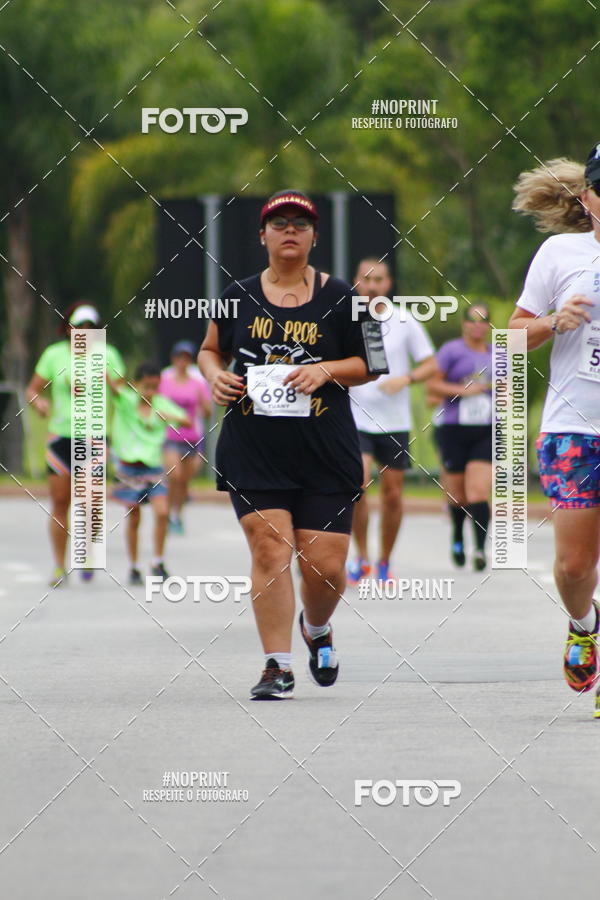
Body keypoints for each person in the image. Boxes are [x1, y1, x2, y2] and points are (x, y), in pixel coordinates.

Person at [199, 189, 376, 700]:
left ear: (315, 236)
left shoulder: (344, 297)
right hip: (254, 447)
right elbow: (213, 349)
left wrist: (325, 369)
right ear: (263, 236)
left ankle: (317, 628)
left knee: (325, 566)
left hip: (325, 449)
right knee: (270, 548)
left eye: (301, 223)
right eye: (280, 224)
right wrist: (214, 376)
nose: (290, 231)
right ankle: (277, 666)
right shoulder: (236, 295)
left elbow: (372, 365)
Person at [508, 146, 600, 717]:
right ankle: (582, 623)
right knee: (572, 567)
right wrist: (551, 322)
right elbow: (508, 343)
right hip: (575, 430)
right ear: (588, 197)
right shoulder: (560, 252)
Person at [347, 259, 438, 583]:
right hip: (355, 417)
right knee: (357, 486)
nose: (372, 286)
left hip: (394, 421)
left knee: (393, 495)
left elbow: (431, 364)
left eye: (379, 279)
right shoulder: (346, 318)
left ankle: (385, 559)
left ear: (388, 284)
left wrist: (406, 379)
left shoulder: (404, 320)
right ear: (356, 282)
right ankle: (361, 557)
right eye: (366, 279)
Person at [26, 303, 125, 586]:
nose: (84, 332)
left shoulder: (108, 355)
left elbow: (124, 395)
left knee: (92, 502)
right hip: (61, 437)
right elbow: (32, 389)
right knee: (60, 501)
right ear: (68, 328)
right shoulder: (54, 355)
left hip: (93, 436)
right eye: (79, 327)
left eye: (90, 328)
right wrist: (39, 402)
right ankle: (59, 565)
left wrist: (111, 380)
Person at [108, 361, 190, 585]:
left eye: (155, 387)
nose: (150, 392)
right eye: (146, 387)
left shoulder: (161, 403)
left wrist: (169, 416)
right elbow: (112, 387)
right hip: (129, 466)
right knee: (134, 517)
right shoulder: (126, 400)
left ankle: (158, 561)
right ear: (136, 385)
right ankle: (134, 566)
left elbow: (187, 419)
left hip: (153, 467)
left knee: (162, 513)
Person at [429, 304, 493, 571]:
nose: (477, 326)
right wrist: (462, 390)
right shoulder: (451, 351)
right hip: (454, 428)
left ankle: (479, 548)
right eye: (472, 320)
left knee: (478, 489)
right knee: (457, 496)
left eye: (483, 321)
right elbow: (433, 384)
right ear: (464, 324)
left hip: (486, 429)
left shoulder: (498, 354)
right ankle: (457, 535)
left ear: (489, 326)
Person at [159, 341, 212, 534]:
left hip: (192, 437)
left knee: (184, 481)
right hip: (170, 435)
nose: (183, 361)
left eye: (186, 358)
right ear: (174, 359)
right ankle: (166, 511)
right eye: (179, 357)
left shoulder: (198, 381)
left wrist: (203, 404)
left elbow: (207, 412)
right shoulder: (164, 379)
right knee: (174, 475)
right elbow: (157, 405)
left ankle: (176, 515)